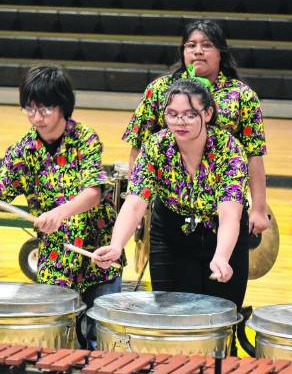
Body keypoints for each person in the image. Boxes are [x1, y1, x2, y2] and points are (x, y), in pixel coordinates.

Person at [0, 64, 123, 340]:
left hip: (97, 256)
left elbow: (93, 192)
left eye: (44, 109)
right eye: (29, 109)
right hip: (55, 258)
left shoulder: (85, 139)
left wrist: (59, 213)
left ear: (63, 106)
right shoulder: (22, 149)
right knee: (56, 338)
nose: (36, 117)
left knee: (99, 339)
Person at [94, 79, 249, 313]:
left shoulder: (228, 149)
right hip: (171, 234)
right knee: (172, 315)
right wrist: (116, 246)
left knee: (220, 317)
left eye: (189, 114)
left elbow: (229, 213)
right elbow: (135, 202)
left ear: (207, 113)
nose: (180, 122)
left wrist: (221, 256)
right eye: (172, 114)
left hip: (221, 235)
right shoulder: (156, 147)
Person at [122, 19, 270, 235]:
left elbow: (254, 155)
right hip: (169, 204)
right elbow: (138, 146)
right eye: (191, 45)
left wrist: (259, 208)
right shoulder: (159, 89)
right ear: (183, 52)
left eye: (207, 45)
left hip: (224, 206)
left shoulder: (242, 95)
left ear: (221, 53)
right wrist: (138, 204)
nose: (198, 51)